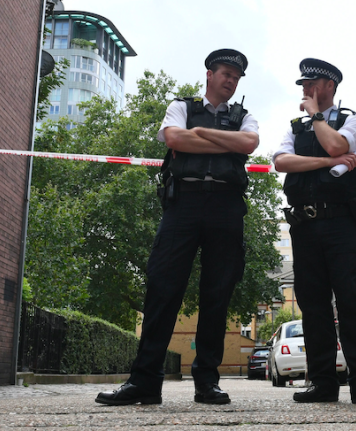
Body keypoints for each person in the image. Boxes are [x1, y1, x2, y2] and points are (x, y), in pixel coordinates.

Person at [96, 49, 259, 406]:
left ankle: (207, 383)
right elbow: (174, 139)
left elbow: (249, 144)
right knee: (162, 289)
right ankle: (145, 382)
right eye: (225, 74)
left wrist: (200, 134)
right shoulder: (181, 107)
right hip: (182, 205)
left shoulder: (243, 116)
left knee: (217, 295)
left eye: (236, 77)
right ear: (209, 74)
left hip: (226, 207)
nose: (230, 81)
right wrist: (219, 141)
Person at [272, 58, 356, 405]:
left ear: (329, 85)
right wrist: (329, 164)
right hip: (305, 225)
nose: (305, 90)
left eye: (311, 84)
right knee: (313, 306)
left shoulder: (352, 120)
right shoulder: (294, 128)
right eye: (302, 85)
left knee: (350, 302)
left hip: (341, 224)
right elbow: (281, 162)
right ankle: (322, 383)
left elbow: (336, 146)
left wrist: (317, 119)